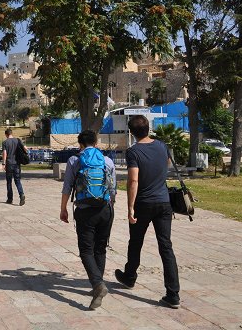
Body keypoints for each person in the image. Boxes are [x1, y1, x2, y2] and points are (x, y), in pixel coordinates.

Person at [115, 115, 181, 309]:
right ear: (149, 128)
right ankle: (173, 293)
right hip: (163, 202)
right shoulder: (162, 146)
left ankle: (130, 276)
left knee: (135, 241)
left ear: (131, 132)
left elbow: (133, 180)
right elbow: (166, 165)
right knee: (166, 246)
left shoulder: (133, 152)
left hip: (144, 203)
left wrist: (130, 206)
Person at [60, 130, 116, 310]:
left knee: (86, 250)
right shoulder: (107, 161)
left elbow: (67, 186)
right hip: (105, 209)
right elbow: (113, 188)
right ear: (96, 142)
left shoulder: (74, 161)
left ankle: (98, 285)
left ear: (80, 144)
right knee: (100, 248)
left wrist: (63, 209)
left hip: (84, 211)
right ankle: (97, 284)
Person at [1, 128, 28, 205]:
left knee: (9, 182)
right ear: (11, 133)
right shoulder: (18, 140)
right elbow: (25, 149)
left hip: (9, 163)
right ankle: (21, 194)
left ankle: (10, 199)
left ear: (6, 134)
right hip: (17, 163)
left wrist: (3, 163)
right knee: (17, 180)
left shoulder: (5, 142)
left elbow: (5, 153)